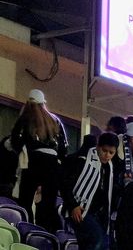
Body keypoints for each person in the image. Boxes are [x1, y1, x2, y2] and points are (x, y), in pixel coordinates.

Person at [10, 89, 68, 231]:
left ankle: (27, 231)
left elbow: (15, 140)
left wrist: (23, 150)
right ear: (43, 103)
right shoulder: (55, 120)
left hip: (33, 162)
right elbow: (64, 147)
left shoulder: (25, 118)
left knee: (25, 201)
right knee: (49, 205)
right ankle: (47, 236)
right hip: (53, 164)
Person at [62, 132, 119, 250]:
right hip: (80, 210)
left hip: (97, 214)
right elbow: (65, 184)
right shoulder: (82, 159)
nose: (107, 155)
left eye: (111, 152)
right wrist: (73, 205)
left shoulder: (110, 168)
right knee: (97, 240)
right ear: (97, 146)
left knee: (100, 243)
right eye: (104, 150)